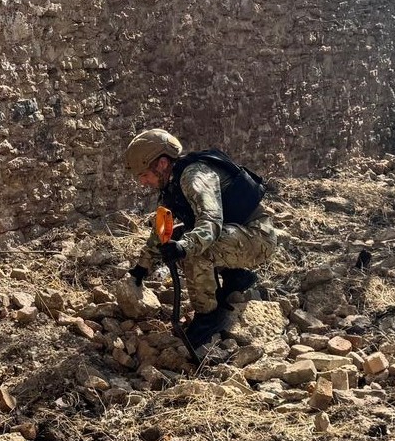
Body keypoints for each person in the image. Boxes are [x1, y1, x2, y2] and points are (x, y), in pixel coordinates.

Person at [120, 128, 280, 348]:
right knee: (180, 238)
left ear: (162, 164)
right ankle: (237, 277)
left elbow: (210, 225)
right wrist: (141, 268)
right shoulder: (170, 187)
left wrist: (183, 248)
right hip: (236, 234)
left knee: (193, 249)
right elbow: (161, 231)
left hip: (258, 238)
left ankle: (209, 317)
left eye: (144, 175)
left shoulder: (195, 176)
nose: (143, 183)